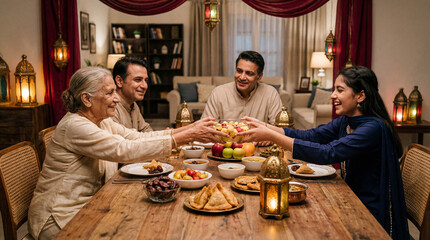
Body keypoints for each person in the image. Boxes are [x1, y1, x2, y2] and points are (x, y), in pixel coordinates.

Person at [28, 67, 225, 240]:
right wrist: (185, 136)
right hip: (59, 216)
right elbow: (124, 150)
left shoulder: (100, 120)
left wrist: (186, 130)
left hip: (90, 204)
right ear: (86, 99)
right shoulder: (75, 126)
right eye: (110, 93)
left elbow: (135, 138)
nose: (116, 98)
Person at [238, 66, 409, 239]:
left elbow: (328, 153)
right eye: (334, 89)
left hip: (367, 211)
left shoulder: (372, 128)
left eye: (339, 90)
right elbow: (312, 135)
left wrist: (271, 136)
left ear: (360, 95)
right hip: (349, 198)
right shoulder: (347, 121)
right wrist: (266, 126)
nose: (333, 95)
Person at [201, 50, 282, 124]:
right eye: (239, 71)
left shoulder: (270, 93)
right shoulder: (218, 93)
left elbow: (278, 128)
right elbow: (206, 127)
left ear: (259, 77)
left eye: (249, 73)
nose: (242, 77)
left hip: (258, 140)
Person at [112, 56, 153, 132]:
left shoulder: (133, 103)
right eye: (138, 80)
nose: (145, 86)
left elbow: (145, 130)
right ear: (119, 81)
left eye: (146, 80)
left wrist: (168, 134)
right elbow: (123, 142)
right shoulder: (110, 107)